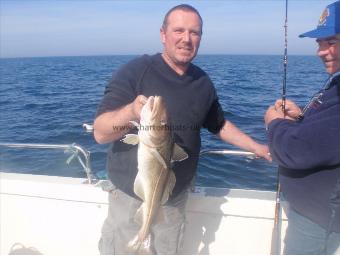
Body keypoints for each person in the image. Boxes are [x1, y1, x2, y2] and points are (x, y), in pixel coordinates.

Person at [94, 4, 271, 255]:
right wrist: (132, 112)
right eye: (178, 30)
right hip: (129, 197)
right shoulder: (135, 71)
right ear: (163, 34)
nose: (186, 39)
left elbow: (218, 124)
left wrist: (257, 147)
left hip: (175, 196)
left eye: (194, 32)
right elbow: (100, 133)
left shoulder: (203, 82)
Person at [264, 1, 340, 254]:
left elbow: (295, 150)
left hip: (318, 221)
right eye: (320, 43)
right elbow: (327, 136)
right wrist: (301, 118)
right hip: (312, 213)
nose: (321, 51)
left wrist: (273, 122)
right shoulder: (335, 84)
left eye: (332, 42)